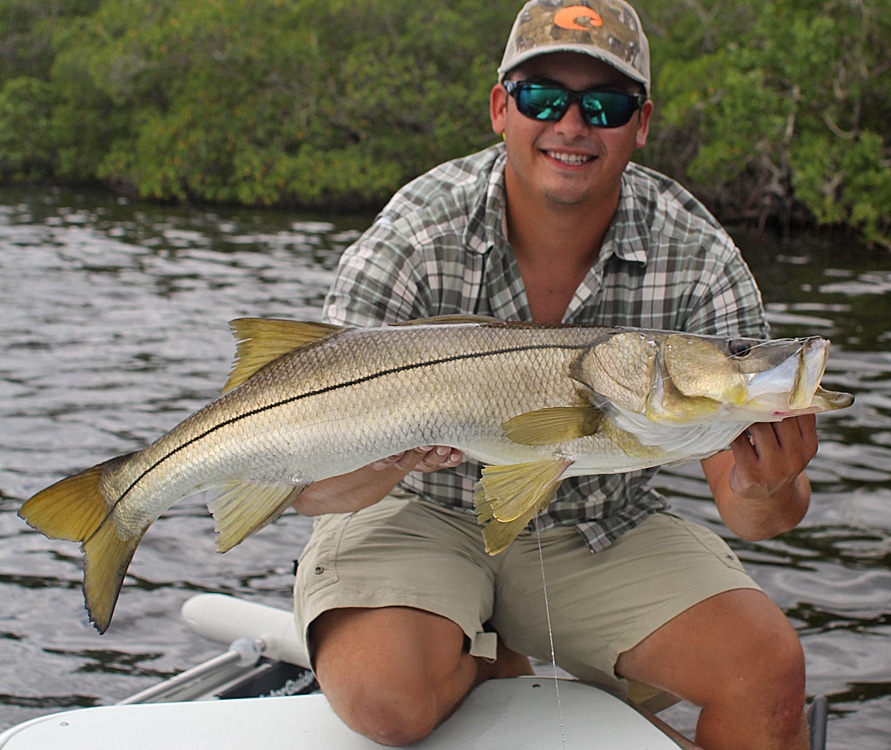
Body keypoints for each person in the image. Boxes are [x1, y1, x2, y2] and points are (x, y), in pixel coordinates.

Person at [291, 1, 816, 748]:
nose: (573, 124)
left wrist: (772, 485)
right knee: (384, 699)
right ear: (502, 108)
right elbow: (311, 490)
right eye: (544, 97)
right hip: (416, 508)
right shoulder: (416, 233)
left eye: (605, 104)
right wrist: (385, 457)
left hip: (602, 520)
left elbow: (755, 516)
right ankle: (494, 660)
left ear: (641, 124)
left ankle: (510, 649)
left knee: (767, 675)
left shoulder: (699, 258)